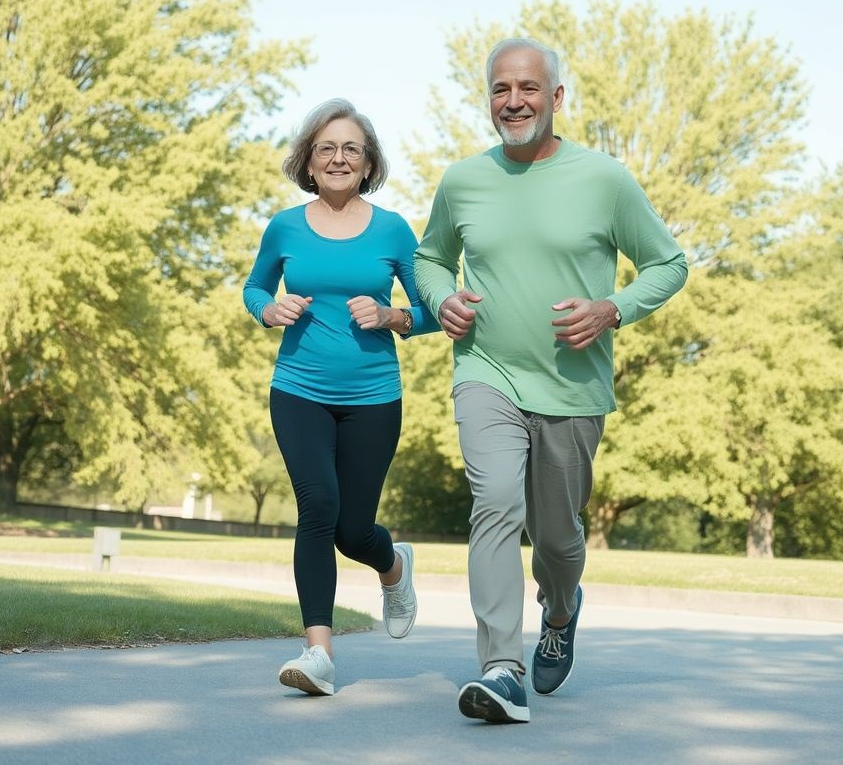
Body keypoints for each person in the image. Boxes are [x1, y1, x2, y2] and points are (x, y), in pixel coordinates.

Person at [413, 38, 689, 723]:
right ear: (489, 100)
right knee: (495, 502)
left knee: (559, 540)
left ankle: (560, 610)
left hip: (572, 387)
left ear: (556, 98)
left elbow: (668, 263)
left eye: (529, 88)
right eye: (501, 89)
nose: (515, 101)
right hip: (487, 372)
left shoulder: (605, 180)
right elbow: (429, 257)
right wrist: (440, 295)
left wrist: (612, 309)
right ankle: (501, 667)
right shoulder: (462, 181)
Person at [243, 97, 438, 697]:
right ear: (308, 160)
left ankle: (393, 564)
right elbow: (254, 287)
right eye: (326, 147)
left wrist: (392, 315)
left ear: (368, 162)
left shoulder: (393, 230)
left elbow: (435, 310)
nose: (338, 157)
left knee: (354, 530)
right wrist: (268, 310)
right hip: (298, 388)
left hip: (374, 396)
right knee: (317, 507)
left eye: (351, 148)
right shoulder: (284, 226)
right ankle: (319, 654)